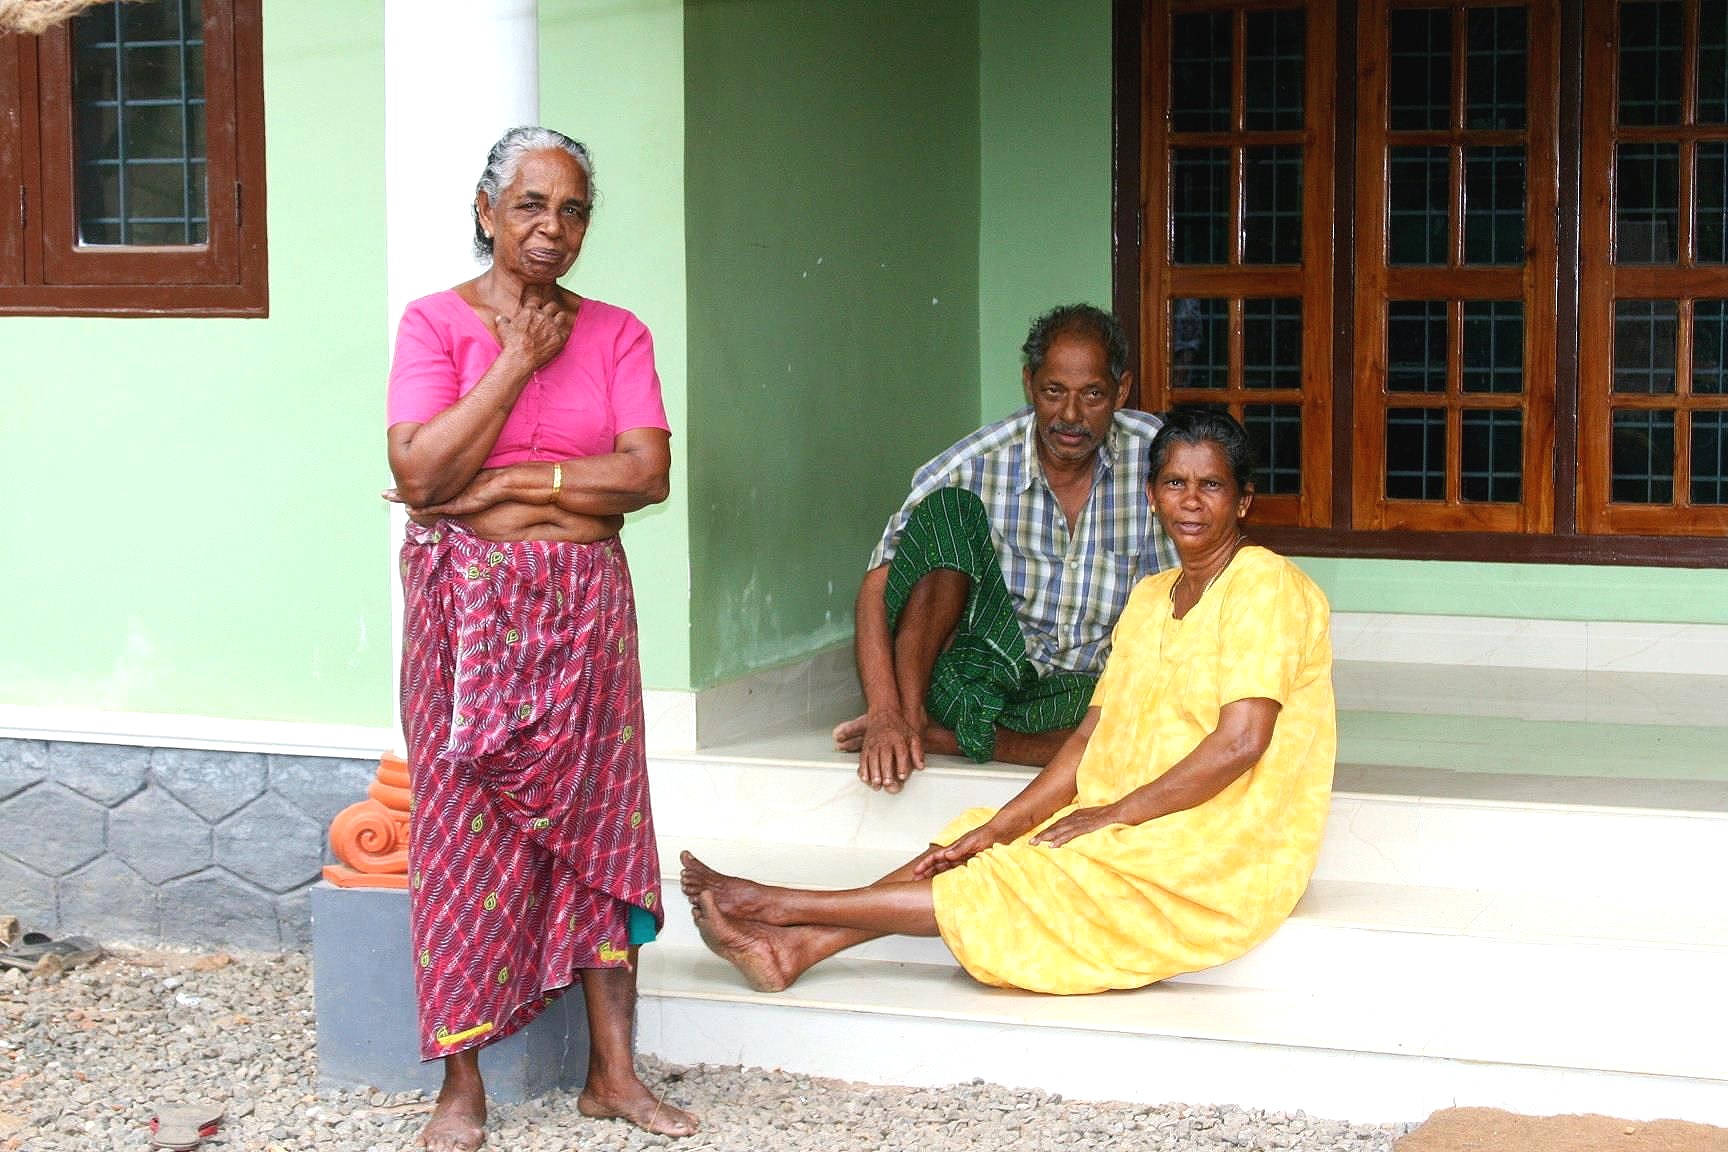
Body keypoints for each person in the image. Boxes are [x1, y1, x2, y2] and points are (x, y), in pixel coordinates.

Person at [684, 408, 1334, 998]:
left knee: (1017, 876)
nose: (1190, 502)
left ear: (1244, 500)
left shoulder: (1267, 586)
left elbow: (1241, 741)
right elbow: (1086, 742)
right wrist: (999, 827)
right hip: (1132, 817)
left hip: (1219, 844)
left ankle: (778, 906)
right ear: (1151, 495)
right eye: (1174, 484)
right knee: (970, 844)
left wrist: (1114, 814)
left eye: (1212, 486)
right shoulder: (1149, 598)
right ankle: (794, 949)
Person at [385, 126, 697, 1151]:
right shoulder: (435, 325)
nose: (551, 228)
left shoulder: (616, 333)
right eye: (529, 205)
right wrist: (516, 359)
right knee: (459, 833)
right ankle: (460, 1087)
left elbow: (644, 475)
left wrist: (514, 483)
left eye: (571, 210)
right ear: (486, 212)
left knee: (606, 828)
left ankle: (614, 1074)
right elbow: (426, 475)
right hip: (465, 612)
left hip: (585, 608)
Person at [833, 305, 1177, 792]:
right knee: (948, 511)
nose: (1071, 416)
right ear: (1029, 383)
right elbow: (877, 587)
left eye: (1093, 395)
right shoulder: (975, 462)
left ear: (1121, 391)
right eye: (1053, 392)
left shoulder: (1164, 460)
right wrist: (885, 712)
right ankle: (912, 720)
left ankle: (947, 739)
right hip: (982, 676)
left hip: (1091, 690)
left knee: (1148, 727)